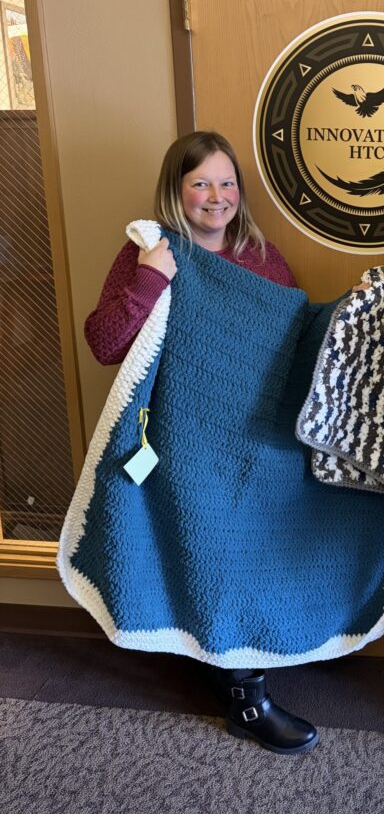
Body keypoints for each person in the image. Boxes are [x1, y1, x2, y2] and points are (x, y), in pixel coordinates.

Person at [84, 130, 318, 755]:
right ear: (176, 190)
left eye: (226, 183)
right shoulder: (150, 250)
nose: (216, 197)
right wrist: (148, 280)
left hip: (252, 436)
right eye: (200, 184)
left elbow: (292, 341)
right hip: (177, 441)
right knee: (210, 545)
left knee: (275, 535)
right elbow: (106, 343)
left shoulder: (261, 257)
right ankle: (245, 694)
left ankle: (241, 652)